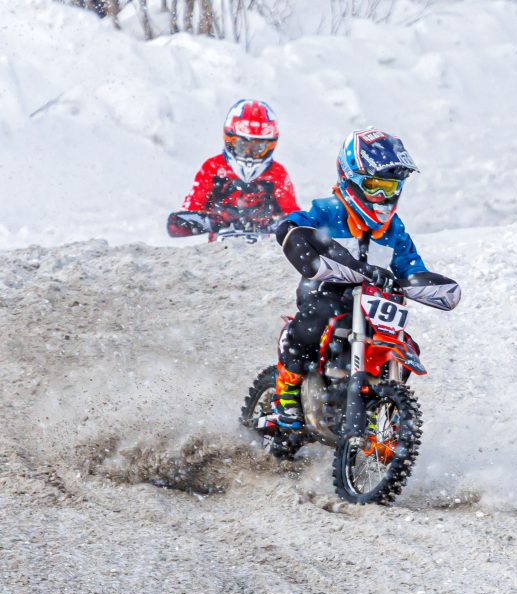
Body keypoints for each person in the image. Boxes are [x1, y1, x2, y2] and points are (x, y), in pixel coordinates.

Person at [271, 128, 461, 428]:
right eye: (376, 186)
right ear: (351, 179)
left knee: (405, 345)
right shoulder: (328, 211)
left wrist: (422, 283)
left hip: (374, 305)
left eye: (392, 187)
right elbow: (292, 228)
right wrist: (297, 236)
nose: (384, 196)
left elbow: (410, 266)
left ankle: (378, 406)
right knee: (315, 321)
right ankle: (287, 392)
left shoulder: (394, 230)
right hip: (327, 292)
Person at [167, 99, 300, 241]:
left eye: (258, 148)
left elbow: (296, 222)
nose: (249, 154)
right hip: (219, 255)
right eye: (242, 145)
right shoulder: (213, 168)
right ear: (229, 139)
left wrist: (269, 223)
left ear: (270, 145)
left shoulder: (276, 173)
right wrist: (217, 220)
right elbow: (177, 225)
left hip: (264, 256)